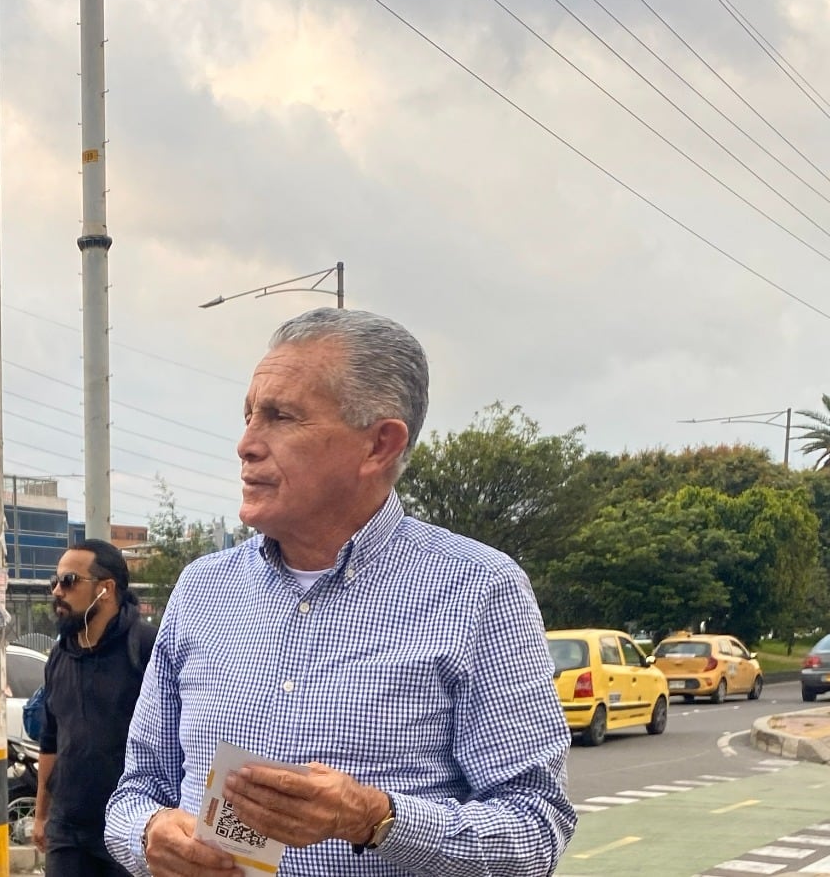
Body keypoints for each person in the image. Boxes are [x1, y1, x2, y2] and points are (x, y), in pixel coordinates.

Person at [104, 308, 575, 876]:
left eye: (281, 416)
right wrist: (149, 836)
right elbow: (137, 788)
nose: (246, 444)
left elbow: (534, 829)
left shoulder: (478, 590)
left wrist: (374, 820)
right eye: (249, 415)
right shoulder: (204, 589)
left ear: (378, 445)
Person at [33, 539, 156, 877]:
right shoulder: (59, 656)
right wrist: (42, 814)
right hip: (68, 827)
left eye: (69, 581)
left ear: (106, 589)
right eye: (54, 582)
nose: (58, 591)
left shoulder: (145, 647)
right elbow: (51, 739)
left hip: (130, 825)